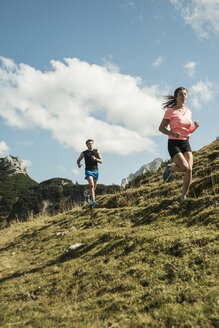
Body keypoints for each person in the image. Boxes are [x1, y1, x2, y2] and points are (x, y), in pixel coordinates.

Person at [159, 87, 200, 203]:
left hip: (185, 142)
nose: (183, 96)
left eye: (185, 94)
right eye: (181, 94)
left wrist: (195, 127)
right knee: (184, 167)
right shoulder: (170, 111)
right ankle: (170, 168)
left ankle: (183, 197)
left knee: (189, 169)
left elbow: (187, 130)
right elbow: (161, 128)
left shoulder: (189, 112)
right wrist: (171, 133)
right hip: (173, 143)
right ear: (176, 97)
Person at [77, 139, 103, 208]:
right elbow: (78, 160)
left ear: (93, 144)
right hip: (88, 171)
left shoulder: (97, 151)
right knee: (91, 185)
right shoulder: (84, 153)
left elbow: (101, 161)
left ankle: (87, 194)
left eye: (91, 143)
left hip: (96, 171)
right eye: (89, 144)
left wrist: (96, 159)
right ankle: (93, 202)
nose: (90, 144)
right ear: (87, 145)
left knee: (94, 188)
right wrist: (79, 165)